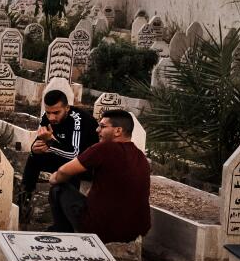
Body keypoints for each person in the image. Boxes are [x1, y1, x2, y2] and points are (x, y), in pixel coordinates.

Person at [47, 109, 151, 243]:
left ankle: (63, 237)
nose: (97, 130)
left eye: (102, 126)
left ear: (118, 131)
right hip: (134, 231)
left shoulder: (105, 148)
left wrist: (53, 178)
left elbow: (64, 171)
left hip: (102, 229)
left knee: (58, 188)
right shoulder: (140, 156)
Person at [20, 89, 99, 197]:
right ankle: (24, 199)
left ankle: (70, 207)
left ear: (67, 108)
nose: (52, 117)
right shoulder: (46, 116)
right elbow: (40, 142)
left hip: (86, 164)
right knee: (34, 157)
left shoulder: (78, 120)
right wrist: (34, 149)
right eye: (48, 112)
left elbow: (74, 155)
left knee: (70, 168)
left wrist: (50, 142)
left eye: (56, 113)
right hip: (64, 156)